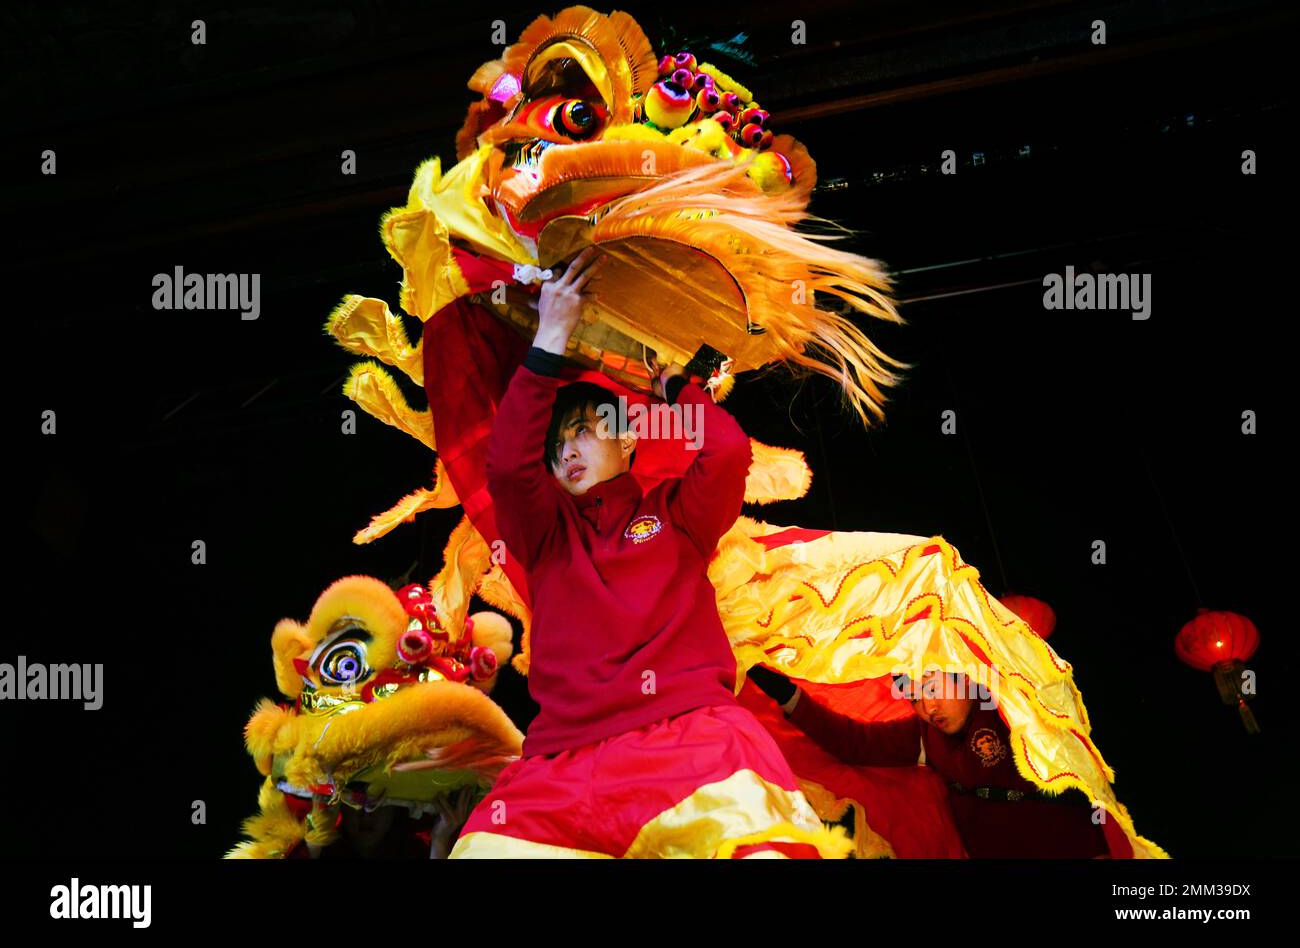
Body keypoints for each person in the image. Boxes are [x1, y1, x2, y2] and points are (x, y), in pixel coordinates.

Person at [448, 248, 849, 858]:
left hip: (694, 740)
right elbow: (506, 466)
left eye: (583, 430)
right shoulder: (545, 535)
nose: (567, 453)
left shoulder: (677, 515)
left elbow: (728, 454)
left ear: (630, 437)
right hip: (562, 767)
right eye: (556, 447)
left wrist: (679, 390)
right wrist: (550, 336)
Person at [747, 665, 1111, 858]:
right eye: (916, 699)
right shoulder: (924, 735)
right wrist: (789, 696)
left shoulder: (1011, 706)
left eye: (932, 689)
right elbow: (854, 743)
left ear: (963, 674)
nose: (928, 707)